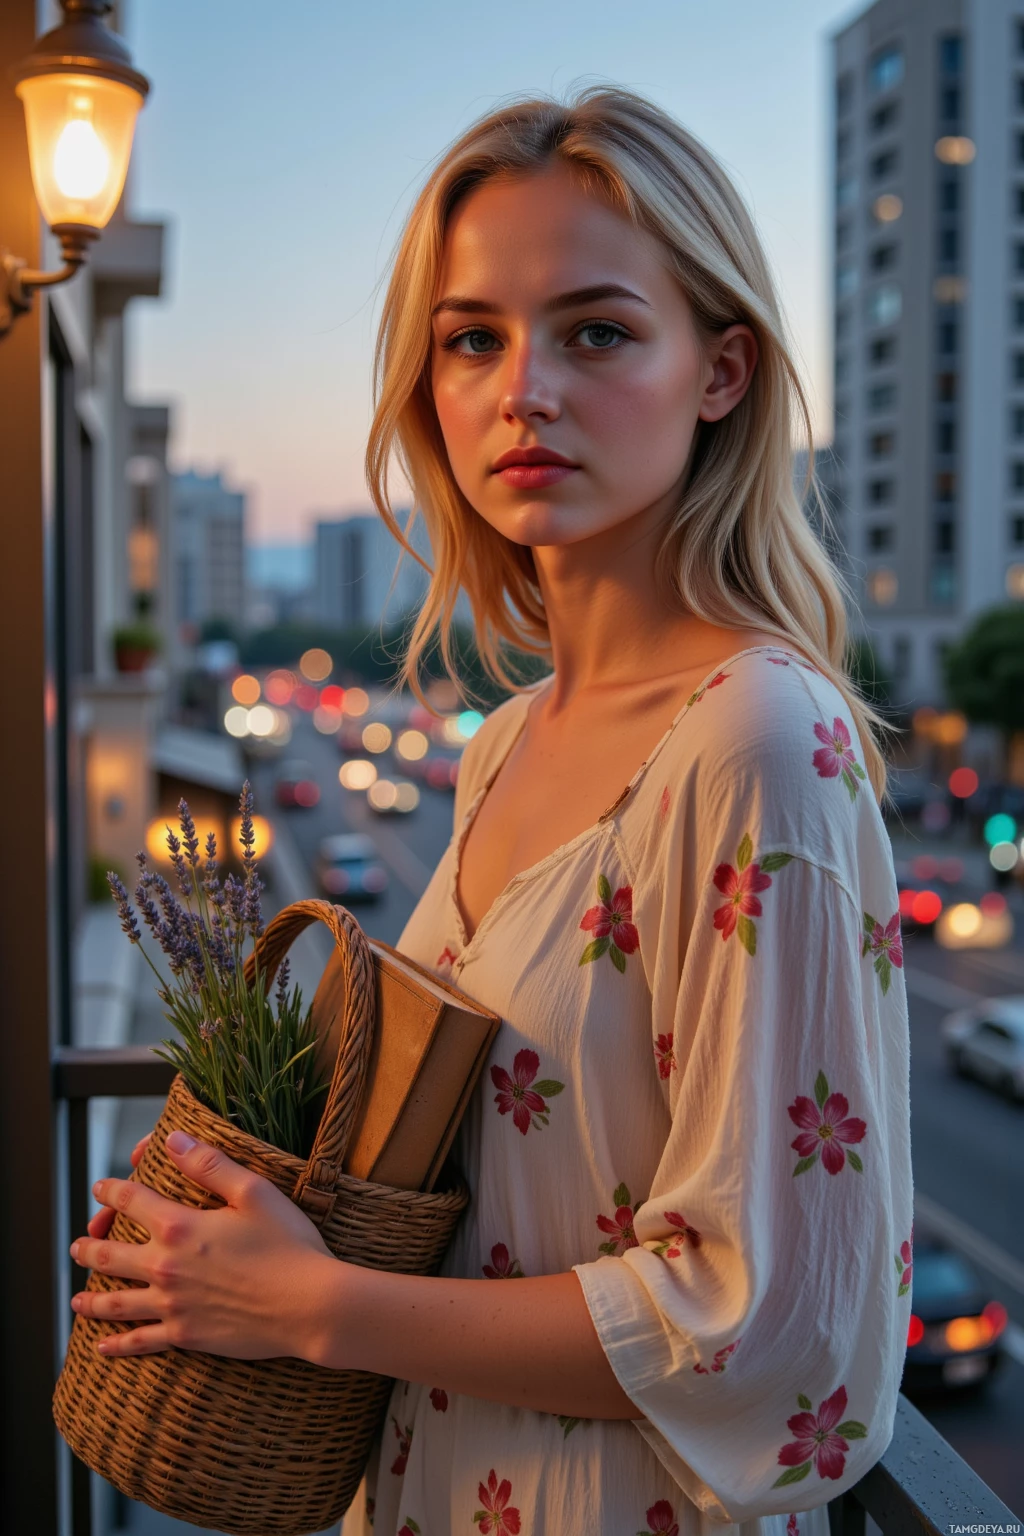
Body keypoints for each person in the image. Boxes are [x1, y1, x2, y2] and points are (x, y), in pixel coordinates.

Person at [75, 86, 913, 1536]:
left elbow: (777, 1332)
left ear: (720, 373)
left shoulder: (758, 739)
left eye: (596, 331)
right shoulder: (509, 738)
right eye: (474, 338)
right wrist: (225, 1233)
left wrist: (321, 1306)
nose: (524, 388)